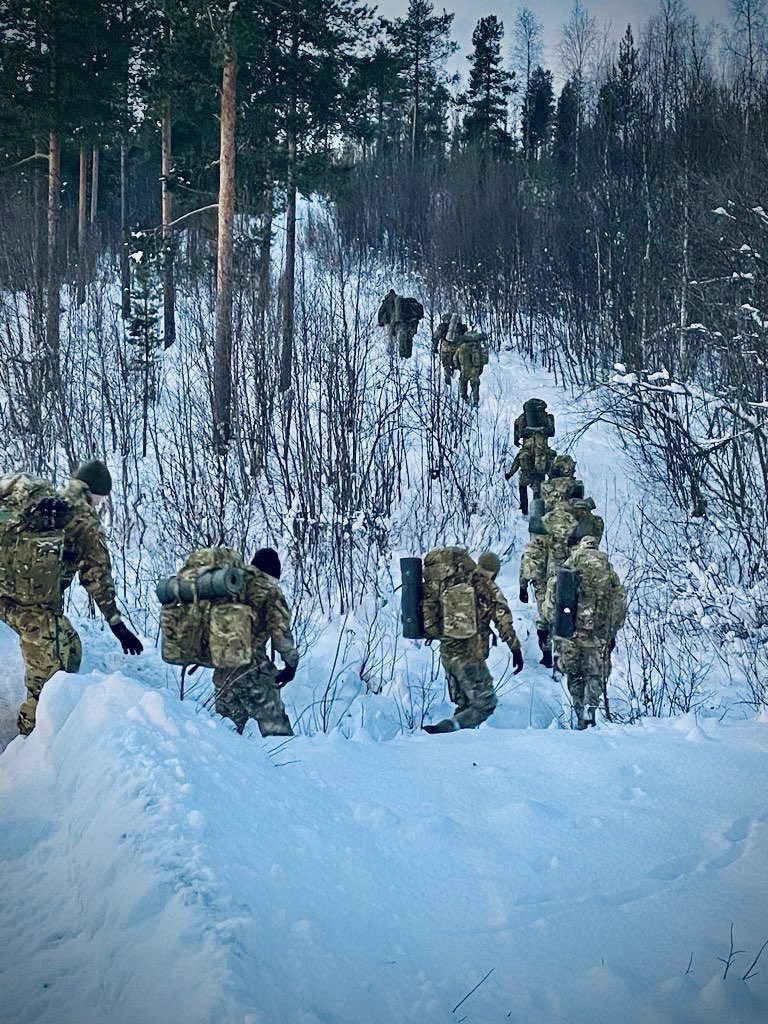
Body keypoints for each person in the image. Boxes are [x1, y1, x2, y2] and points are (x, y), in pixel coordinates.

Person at [0, 460, 143, 736]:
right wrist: (117, 625)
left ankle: (66, 708)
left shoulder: (47, 501)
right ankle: (32, 743)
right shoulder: (83, 518)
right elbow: (97, 577)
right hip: (33, 611)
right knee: (46, 687)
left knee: (72, 647)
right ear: (97, 492)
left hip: (5, 595)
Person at [423, 549, 523, 734]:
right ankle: (444, 730)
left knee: (466, 706)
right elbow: (503, 621)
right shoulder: (488, 587)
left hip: (447, 653)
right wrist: (515, 649)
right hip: (470, 657)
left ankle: (456, 748)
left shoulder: (453, 582)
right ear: (495, 571)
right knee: (485, 704)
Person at [212, 547, 299, 736]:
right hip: (253, 672)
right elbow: (281, 634)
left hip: (222, 671)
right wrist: (291, 664)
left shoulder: (229, 585)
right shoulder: (270, 593)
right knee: (278, 731)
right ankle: (287, 764)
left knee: (225, 734)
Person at [543, 536, 626, 729]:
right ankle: (591, 710)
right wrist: (612, 632)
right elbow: (619, 605)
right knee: (595, 674)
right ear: (596, 548)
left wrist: (556, 627)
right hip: (598, 635)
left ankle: (578, 711)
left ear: (580, 547)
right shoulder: (608, 572)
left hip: (571, 634)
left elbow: (550, 604)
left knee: (574, 673)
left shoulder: (568, 567)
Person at [505, 432, 556, 514]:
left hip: (526, 475)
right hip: (539, 476)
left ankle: (524, 509)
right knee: (537, 493)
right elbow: (551, 467)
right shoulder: (544, 452)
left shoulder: (523, 452)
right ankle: (538, 512)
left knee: (522, 486)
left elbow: (516, 464)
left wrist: (509, 474)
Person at [376, 289, 424, 358]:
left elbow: (381, 311)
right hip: (398, 321)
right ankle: (403, 353)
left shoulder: (386, 301)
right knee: (401, 337)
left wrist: (380, 322)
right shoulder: (399, 301)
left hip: (388, 322)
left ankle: (390, 353)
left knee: (389, 338)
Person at [453, 330, 489, 405]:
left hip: (464, 370)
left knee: (463, 383)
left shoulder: (461, 347)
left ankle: (464, 399)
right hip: (474, 371)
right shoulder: (477, 346)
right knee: (475, 386)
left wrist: (460, 367)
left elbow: (455, 359)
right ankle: (475, 401)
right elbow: (484, 360)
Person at [432, 312, 468, 385]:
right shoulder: (462, 327)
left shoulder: (442, 326)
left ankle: (447, 375)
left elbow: (436, 337)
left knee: (445, 362)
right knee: (455, 360)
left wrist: (435, 348)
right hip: (456, 347)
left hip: (445, 347)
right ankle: (454, 368)